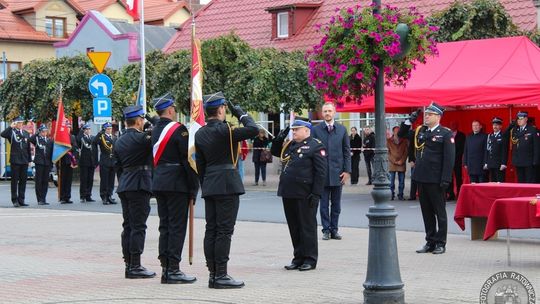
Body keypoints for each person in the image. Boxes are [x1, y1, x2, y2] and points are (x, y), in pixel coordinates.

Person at [195, 91, 258, 289]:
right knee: (224, 231)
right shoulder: (228, 130)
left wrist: (205, 183)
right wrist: (241, 114)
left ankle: (213, 273)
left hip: (210, 183)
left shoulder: (200, 133)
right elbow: (253, 129)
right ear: (222, 109)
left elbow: (201, 164)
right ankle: (221, 274)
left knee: (211, 229)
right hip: (227, 184)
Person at [151, 93, 199, 284]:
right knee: (177, 227)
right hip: (177, 183)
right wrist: (193, 186)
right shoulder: (178, 130)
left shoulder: (154, 130)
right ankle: (174, 269)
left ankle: (165, 267)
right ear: (170, 110)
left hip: (160, 181)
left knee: (165, 226)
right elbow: (188, 160)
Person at [398, 103, 455, 255]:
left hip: (436, 180)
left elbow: (449, 159)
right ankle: (430, 241)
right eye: (426, 114)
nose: (427, 116)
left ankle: (440, 243)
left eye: (430, 114)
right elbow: (401, 134)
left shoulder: (445, 134)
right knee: (426, 212)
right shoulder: (420, 131)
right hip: (421, 177)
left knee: (439, 212)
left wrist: (446, 179)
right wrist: (409, 121)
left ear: (438, 116)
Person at [270, 118, 326, 271]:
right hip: (288, 191)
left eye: (297, 129)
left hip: (305, 193)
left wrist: (316, 194)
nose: (294, 132)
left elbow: (321, 173)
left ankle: (310, 259)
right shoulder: (290, 145)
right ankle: (298, 257)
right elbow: (275, 153)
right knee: (294, 227)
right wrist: (278, 139)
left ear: (307, 130)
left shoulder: (316, 146)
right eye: (293, 130)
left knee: (306, 227)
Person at [113, 105, 156, 279]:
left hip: (125, 184)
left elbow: (118, 167)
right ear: (139, 120)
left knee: (128, 225)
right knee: (138, 226)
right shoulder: (142, 138)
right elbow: (161, 128)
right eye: (142, 119)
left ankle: (128, 263)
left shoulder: (118, 140)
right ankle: (135, 265)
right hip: (139, 184)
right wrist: (152, 119)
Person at [311, 102, 350, 240]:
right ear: (322, 113)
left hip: (338, 173)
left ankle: (335, 230)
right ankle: (326, 230)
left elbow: (346, 152)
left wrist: (347, 171)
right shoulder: (316, 130)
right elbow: (313, 151)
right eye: (325, 111)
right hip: (321, 173)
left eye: (329, 111)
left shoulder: (341, 129)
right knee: (323, 205)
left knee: (336, 205)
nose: (327, 113)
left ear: (334, 113)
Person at [1, 116, 31, 207]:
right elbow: (2, 134)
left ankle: (21, 200)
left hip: (24, 160)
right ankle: (14, 200)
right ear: (15, 123)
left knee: (23, 181)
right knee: (14, 181)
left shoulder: (26, 133)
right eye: (18, 123)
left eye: (21, 123)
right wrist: (11, 127)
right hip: (15, 160)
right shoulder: (11, 132)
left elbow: (28, 148)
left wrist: (29, 160)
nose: (20, 124)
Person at [504, 111, 539, 183]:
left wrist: (536, 160)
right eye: (518, 119)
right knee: (520, 182)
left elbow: (537, 147)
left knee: (529, 182)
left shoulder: (532, 130)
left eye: (521, 119)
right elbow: (504, 135)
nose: (519, 121)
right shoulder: (515, 130)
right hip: (518, 161)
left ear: (526, 119)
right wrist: (511, 125)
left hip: (529, 161)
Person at [29, 124, 53, 205]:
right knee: (39, 181)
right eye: (43, 131)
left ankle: (43, 198)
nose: (44, 133)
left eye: (45, 131)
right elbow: (30, 139)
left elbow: (51, 153)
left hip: (47, 163)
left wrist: (51, 164)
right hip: (39, 162)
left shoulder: (49, 140)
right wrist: (36, 133)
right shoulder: (37, 139)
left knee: (45, 181)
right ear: (40, 132)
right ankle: (39, 199)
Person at [94, 122, 117, 205]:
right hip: (105, 161)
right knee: (104, 180)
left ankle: (109, 195)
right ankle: (104, 196)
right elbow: (94, 142)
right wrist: (99, 133)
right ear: (104, 129)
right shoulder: (102, 137)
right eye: (107, 129)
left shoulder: (114, 137)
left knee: (111, 180)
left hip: (113, 162)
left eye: (110, 128)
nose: (109, 130)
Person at [58, 122, 78, 204]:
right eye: (67, 128)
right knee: (63, 179)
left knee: (69, 180)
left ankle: (68, 197)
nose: (68, 129)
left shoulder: (72, 137)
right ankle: (62, 197)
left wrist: (74, 159)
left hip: (70, 160)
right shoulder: (61, 137)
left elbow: (75, 148)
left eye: (69, 127)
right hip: (63, 161)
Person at [387, 126, 408, 200]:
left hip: (401, 164)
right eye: (395, 131)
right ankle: (391, 195)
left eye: (398, 131)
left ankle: (401, 195)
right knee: (391, 181)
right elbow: (388, 153)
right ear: (393, 132)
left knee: (401, 182)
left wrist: (401, 161)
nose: (397, 132)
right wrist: (394, 161)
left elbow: (406, 152)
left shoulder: (404, 141)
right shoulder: (389, 141)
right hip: (392, 164)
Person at [483, 117, 508, 182]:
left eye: (497, 125)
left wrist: (503, 163)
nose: (495, 126)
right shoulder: (490, 136)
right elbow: (487, 150)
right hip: (491, 163)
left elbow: (504, 151)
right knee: (492, 182)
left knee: (500, 182)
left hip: (499, 164)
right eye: (494, 125)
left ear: (500, 126)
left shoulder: (503, 136)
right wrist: (486, 162)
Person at [77, 124, 97, 202]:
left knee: (90, 180)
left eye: (89, 129)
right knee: (84, 179)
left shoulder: (92, 138)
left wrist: (96, 161)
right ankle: (83, 196)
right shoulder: (81, 138)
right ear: (84, 130)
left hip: (91, 162)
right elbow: (78, 139)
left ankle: (88, 195)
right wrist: (81, 131)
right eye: (86, 129)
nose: (88, 131)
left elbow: (95, 150)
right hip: (84, 162)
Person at [447, 122, 465, 200]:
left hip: (457, 160)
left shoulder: (461, 135)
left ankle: (459, 194)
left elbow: (462, 148)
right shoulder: (447, 135)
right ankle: (451, 194)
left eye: (454, 125)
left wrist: (456, 156)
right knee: (449, 178)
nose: (452, 126)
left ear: (457, 126)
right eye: (451, 125)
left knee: (458, 178)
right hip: (449, 160)